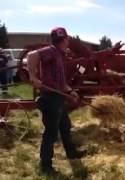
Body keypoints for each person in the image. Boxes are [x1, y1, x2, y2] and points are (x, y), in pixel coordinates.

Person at [27, 27, 86, 175]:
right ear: (64, 39)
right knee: (51, 133)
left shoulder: (60, 55)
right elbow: (31, 55)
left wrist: (71, 91)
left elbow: (61, 82)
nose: (67, 41)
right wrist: (33, 77)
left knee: (65, 126)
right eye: (66, 39)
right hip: (50, 98)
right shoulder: (51, 51)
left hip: (58, 97)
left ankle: (71, 152)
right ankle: (46, 165)